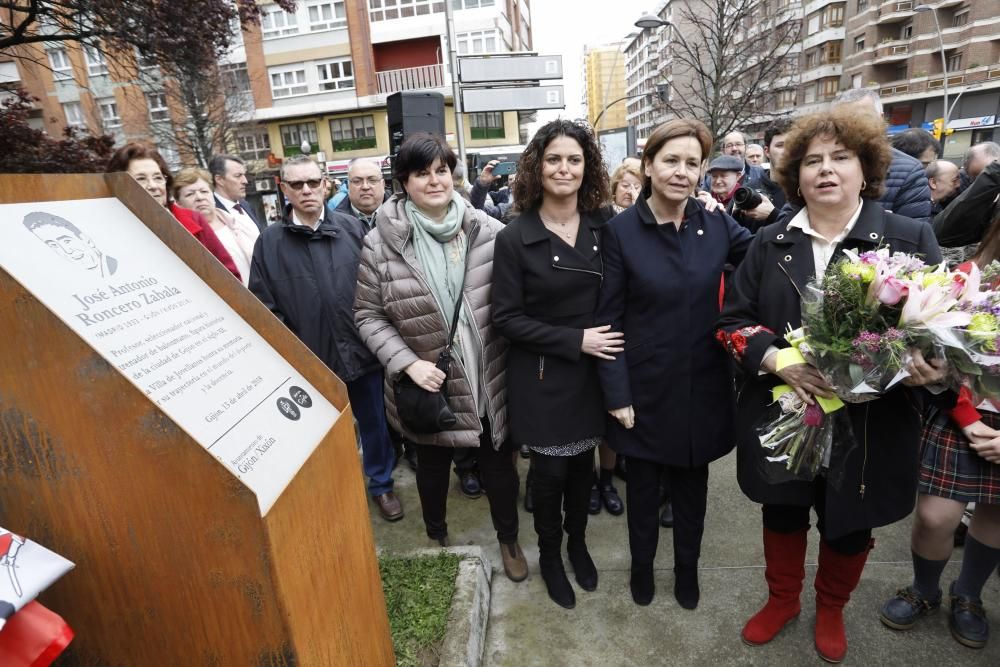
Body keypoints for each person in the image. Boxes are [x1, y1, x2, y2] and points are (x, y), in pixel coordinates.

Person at [716, 108, 948, 663]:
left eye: (840, 158)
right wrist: (778, 361)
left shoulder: (908, 238)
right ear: (794, 176)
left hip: (872, 420)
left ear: (865, 169)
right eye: (812, 161)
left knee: (850, 519)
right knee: (783, 509)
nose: (826, 170)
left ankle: (830, 607)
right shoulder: (770, 242)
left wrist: (929, 365)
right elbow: (732, 324)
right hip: (785, 412)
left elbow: (940, 328)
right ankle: (783, 601)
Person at [354, 133, 528, 582]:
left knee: (500, 471)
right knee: (432, 472)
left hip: (488, 375)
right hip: (428, 384)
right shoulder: (381, 242)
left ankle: (508, 539)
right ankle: (437, 540)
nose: (434, 181)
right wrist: (407, 363)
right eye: (421, 173)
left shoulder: (488, 229)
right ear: (404, 183)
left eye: (441, 170)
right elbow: (368, 315)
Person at [596, 118, 753, 610]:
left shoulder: (715, 224)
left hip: (703, 382)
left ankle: (688, 571)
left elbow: (764, 259)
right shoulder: (620, 231)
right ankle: (641, 570)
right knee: (642, 493)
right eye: (671, 160)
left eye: (692, 163)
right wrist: (616, 392)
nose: (681, 172)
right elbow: (608, 318)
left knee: (692, 492)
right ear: (648, 165)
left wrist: (771, 214)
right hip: (643, 386)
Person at [492, 120, 618, 608]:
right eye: (553, 159)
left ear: (586, 169)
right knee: (548, 479)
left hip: (592, 372)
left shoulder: (603, 227)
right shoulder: (515, 236)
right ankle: (549, 554)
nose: (563, 168)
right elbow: (506, 319)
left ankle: (578, 545)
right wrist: (574, 339)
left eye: (574, 160)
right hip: (542, 375)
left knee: (583, 471)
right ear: (537, 167)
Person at [248, 155, 402, 522]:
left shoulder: (353, 230)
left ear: (325, 185)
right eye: (296, 185)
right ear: (283, 189)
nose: (306, 191)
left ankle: (381, 485)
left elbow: (378, 288)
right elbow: (263, 306)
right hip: (311, 360)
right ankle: (337, 491)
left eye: (312, 183)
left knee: (374, 424)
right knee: (322, 436)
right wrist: (295, 351)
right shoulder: (269, 243)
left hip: (361, 352)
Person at [879, 210, 1000, 650]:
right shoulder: (972, 278)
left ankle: (968, 594)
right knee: (935, 517)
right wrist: (968, 418)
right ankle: (925, 588)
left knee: (995, 515)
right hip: (961, 412)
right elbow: (940, 360)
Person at [106, 142, 241, 280]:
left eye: (158, 178)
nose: (153, 186)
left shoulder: (194, 220)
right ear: (120, 184)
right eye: (141, 179)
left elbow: (230, 276)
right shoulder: (109, 232)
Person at [834, 89, 932, 224]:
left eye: (862, 119)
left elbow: (911, 237)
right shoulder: (817, 167)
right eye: (842, 122)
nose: (853, 127)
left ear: (880, 118)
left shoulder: (909, 172)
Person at [173, 168, 259, 287]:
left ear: (212, 194)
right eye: (190, 194)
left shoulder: (238, 222)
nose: (199, 197)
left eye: (204, 191)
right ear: (178, 204)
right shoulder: (184, 237)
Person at [209, 154, 265, 232]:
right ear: (219, 179)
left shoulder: (246, 205)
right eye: (238, 176)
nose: (245, 181)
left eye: (244, 175)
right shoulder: (210, 213)